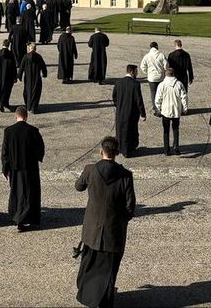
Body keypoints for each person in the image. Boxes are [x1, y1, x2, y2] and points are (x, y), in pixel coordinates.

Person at [75, 136, 136, 308]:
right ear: (117, 153)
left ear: (102, 150)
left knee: (89, 264)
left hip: (92, 229)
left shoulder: (90, 170)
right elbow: (130, 207)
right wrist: (121, 220)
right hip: (113, 231)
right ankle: (104, 299)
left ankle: (87, 296)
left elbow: (78, 186)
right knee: (109, 269)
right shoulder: (125, 175)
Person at [1, 107, 46, 231]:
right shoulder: (33, 131)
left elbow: (5, 152)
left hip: (15, 169)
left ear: (16, 116)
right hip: (30, 168)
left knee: (17, 193)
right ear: (26, 116)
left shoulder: (8, 131)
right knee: (32, 193)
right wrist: (36, 158)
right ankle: (33, 219)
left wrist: (5, 168)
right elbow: (40, 148)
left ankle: (18, 219)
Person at [111, 65, 146, 157]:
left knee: (120, 131)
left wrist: (118, 105)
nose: (137, 74)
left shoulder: (118, 82)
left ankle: (120, 148)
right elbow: (139, 100)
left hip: (120, 111)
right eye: (136, 72)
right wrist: (143, 113)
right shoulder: (135, 84)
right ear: (132, 72)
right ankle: (128, 149)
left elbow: (114, 97)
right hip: (132, 112)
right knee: (130, 131)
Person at [154, 67, 188, 156]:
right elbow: (184, 97)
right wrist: (185, 108)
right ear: (174, 74)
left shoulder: (162, 85)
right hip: (176, 110)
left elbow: (158, 98)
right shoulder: (179, 84)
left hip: (165, 110)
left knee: (166, 130)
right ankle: (176, 146)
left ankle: (166, 149)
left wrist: (158, 108)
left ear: (166, 74)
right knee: (176, 129)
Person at [18, 43, 48, 113]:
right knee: (36, 92)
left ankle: (28, 106)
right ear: (35, 49)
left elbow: (21, 67)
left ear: (30, 49)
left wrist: (19, 76)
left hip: (28, 78)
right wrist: (44, 74)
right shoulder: (39, 57)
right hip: (36, 77)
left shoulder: (25, 57)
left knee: (27, 92)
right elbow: (43, 67)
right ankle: (34, 108)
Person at [139, 42, 167, 110]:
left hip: (152, 78)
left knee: (153, 93)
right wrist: (164, 72)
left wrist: (147, 73)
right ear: (157, 47)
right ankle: (162, 106)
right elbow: (166, 66)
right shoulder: (161, 55)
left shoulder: (147, 56)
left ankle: (155, 107)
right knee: (161, 92)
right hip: (160, 77)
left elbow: (142, 66)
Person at [0, 39, 18, 112]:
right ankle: (5, 103)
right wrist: (15, 76)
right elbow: (14, 66)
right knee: (7, 90)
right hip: (8, 75)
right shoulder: (11, 54)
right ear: (8, 45)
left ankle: (0, 103)